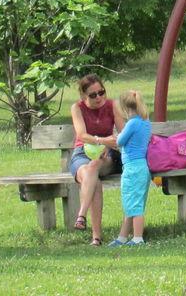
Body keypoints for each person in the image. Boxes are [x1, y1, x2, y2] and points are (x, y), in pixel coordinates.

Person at [69, 74, 124, 246]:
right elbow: (81, 135)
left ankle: (81, 215)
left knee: (93, 167)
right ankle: (96, 238)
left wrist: (108, 145)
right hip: (82, 153)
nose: (99, 97)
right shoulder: (77, 108)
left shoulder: (112, 105)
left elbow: (123, 133)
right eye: (93, 95)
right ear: (83, 96)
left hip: (107, 155)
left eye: (101, 92)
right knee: (94, 180)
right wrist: (101, 140)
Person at [108, 90, 152, 247]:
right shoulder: (146, 122)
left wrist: (115, 136)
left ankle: (138, 238)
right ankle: (122, 237)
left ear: (124, 108)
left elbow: (120, 140)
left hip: (132, 168)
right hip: (142, 167)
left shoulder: (132, 123)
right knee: (131, 203)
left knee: (135, 206)